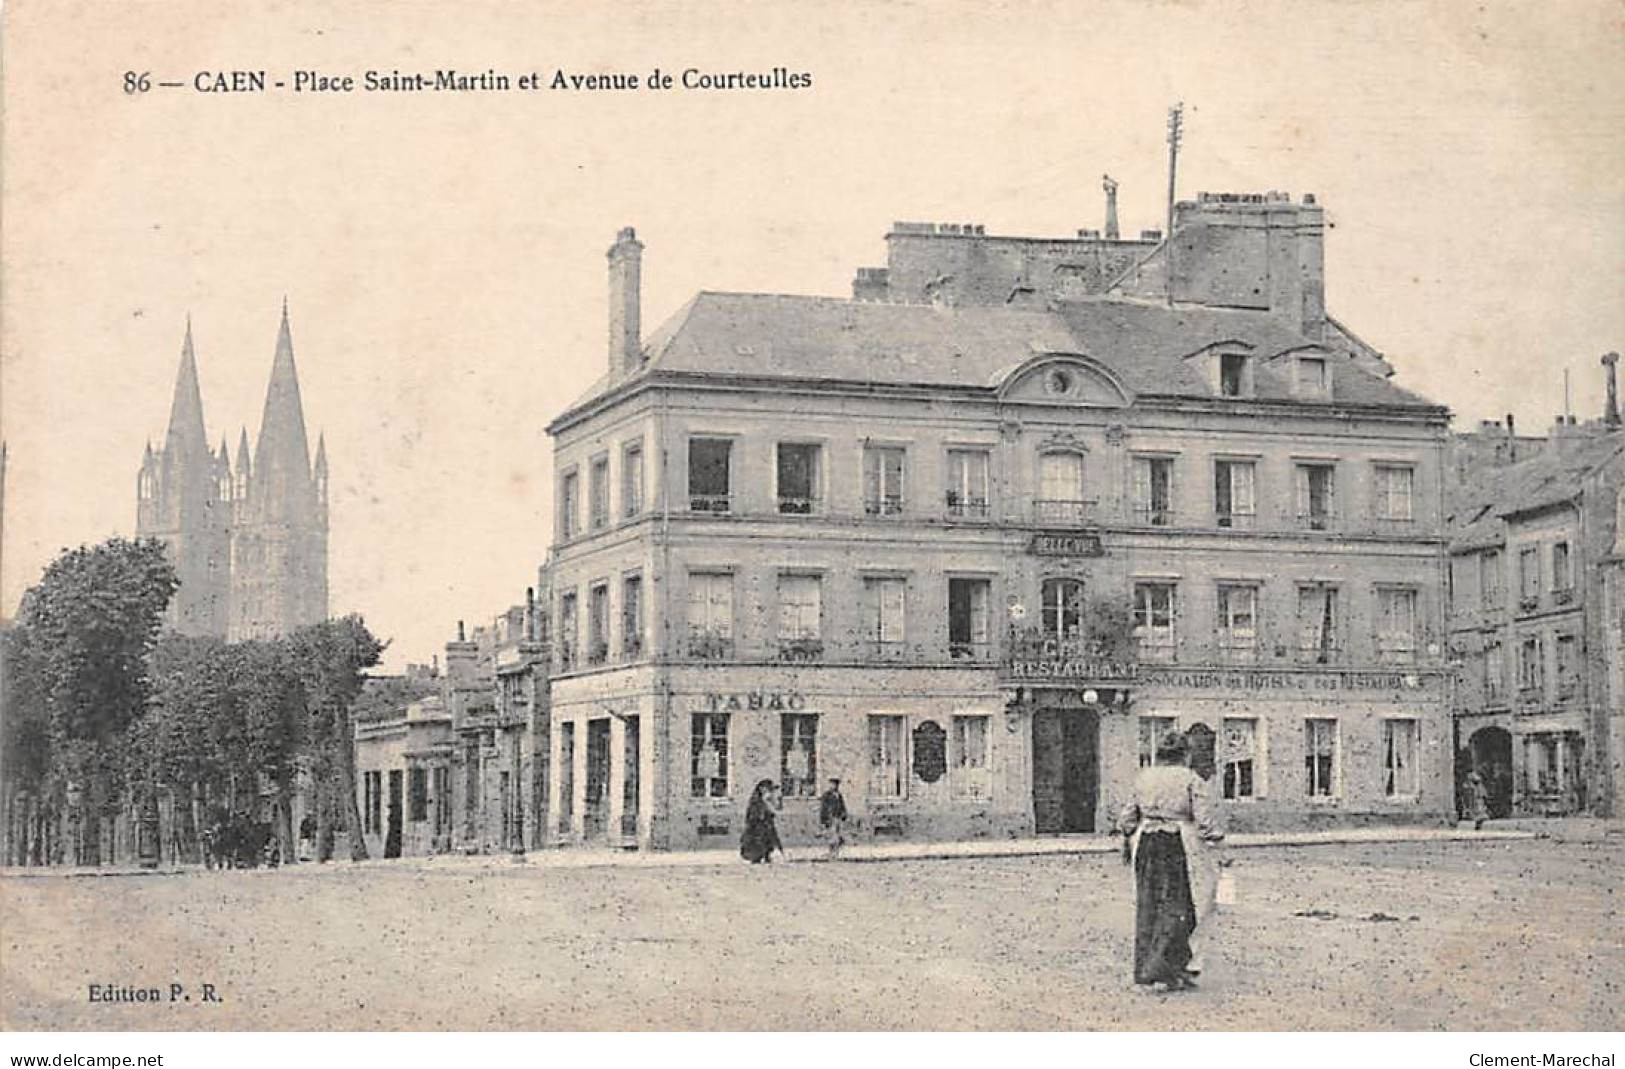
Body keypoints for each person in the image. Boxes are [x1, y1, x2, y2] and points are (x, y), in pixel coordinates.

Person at [1117, 731, 1224, 992]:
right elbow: (1204, 821)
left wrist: (1127, 837)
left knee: (1148, 906)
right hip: (1177, 845)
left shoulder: (1143, 777)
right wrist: (1218, 841)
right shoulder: (1191, 779)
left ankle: (1148, 971)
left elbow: (1128, 817)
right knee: (1180, 908)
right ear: (1185, 754)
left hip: (1146, 844)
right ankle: (1165, 971)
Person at [740, 778, 785, 864]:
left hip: (765, 829)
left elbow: (776, 809)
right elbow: (755, 817)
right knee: (759, 845)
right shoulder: (756, 802)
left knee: (768, 843)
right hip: (757, 830)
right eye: (769, 789)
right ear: (762, 789)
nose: (770, 792)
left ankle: (767, 856)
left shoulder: (767, 800)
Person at [818, 778, 848, 859]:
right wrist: (824, 819)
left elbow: (842, 806)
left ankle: (836, 852)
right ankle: (831, 852)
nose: (834, 786)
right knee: (832, 836)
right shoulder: (826, 795)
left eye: (835, 784)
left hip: (838, 818)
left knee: (839, 836)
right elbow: (823, 808)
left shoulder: (839, 795)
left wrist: (844, 814)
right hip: (830, 818)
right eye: (832, 784)